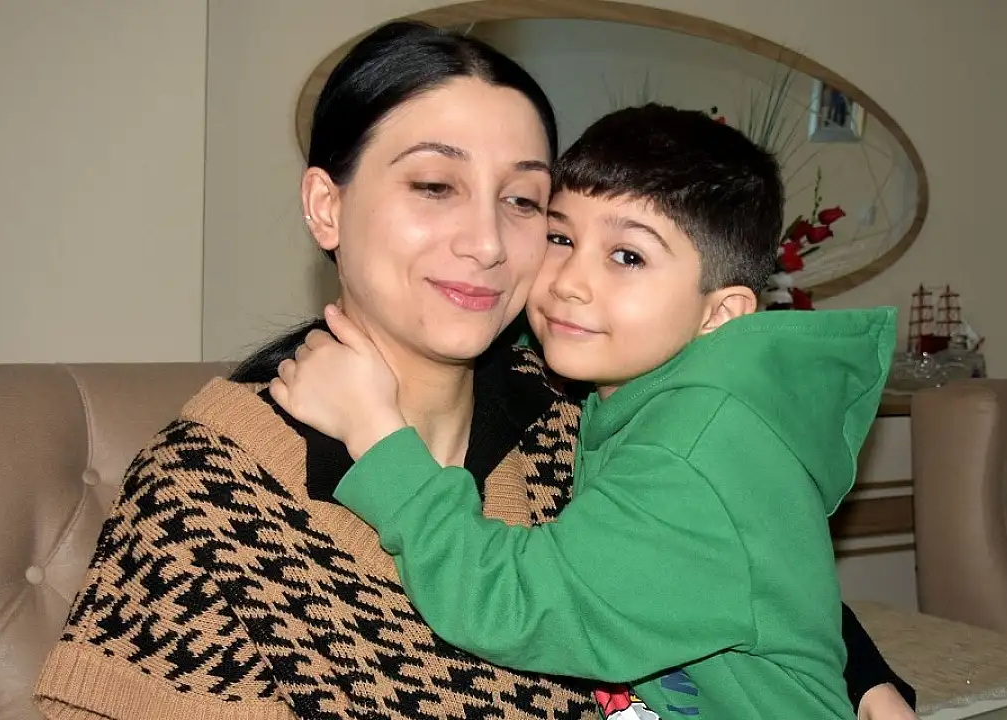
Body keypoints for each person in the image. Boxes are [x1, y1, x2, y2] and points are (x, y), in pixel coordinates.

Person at [33, 20, 916, 720]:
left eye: (524, 200)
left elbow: (729, 559)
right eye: (434, 186)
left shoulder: (574, 420)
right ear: (326, 206)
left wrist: (865, 679)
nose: (488, 241)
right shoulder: (210, 492)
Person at [270, 104, 897, 720]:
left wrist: (377, 434)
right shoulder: (622, 380)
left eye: (628, 257)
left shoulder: (694, 454)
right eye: (560, 238)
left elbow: (516, 605)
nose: (570, 280)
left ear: (721, 313)